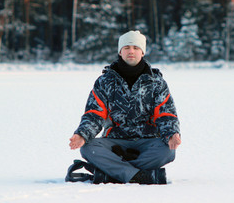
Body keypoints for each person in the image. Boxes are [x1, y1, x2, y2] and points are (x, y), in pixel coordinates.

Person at [68, 30, 181, 184]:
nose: (131, 51)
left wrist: (172, 134)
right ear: (120, 52)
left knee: (168, 150)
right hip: (115, 142)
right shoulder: (105, 81)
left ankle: (113, 174)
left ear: (142, 52)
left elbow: (165, 114)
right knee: (88, 148)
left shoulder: (157, 82)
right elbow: (94, 114)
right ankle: (141, 175)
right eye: (127, 47)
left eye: (136, 47)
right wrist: (82, 134)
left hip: (147, 141)